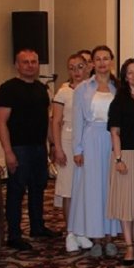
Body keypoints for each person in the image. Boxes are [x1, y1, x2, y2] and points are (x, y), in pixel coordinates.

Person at [0, 49, 57, 251]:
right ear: (17, 65)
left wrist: (52, 144)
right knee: (16, 191)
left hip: (39, 147)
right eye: (25, 62)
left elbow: (47, 120)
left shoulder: (41, 89)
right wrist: (8, 152)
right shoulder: (8, 89)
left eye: (33, 62)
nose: (30, 65)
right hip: (19, 148)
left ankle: (37, 227)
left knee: (38, 188)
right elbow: (1, 123)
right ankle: (14, 235)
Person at [70, 45, 121, 257]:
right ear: (92, 63)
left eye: (105, 58)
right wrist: (77, 149)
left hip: (113, 141)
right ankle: (96, 238)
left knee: (110, 189)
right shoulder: (83, 88)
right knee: (93, 190)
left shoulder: (118, 87)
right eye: (97, 59)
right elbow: (77, 121)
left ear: (111, 61)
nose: (102, 63)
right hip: (91, 141)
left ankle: (110, 238)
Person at [106, 58, 134, 265]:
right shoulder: (119, 101)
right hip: (126, 155)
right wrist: (118, 158)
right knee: (125, 204)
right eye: (130, 72)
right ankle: (129, 246)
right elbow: (114, 132)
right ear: (125, 77)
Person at [52, 53, 88, 252]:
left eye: (80, 67)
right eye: (72, 68)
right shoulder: (64, 92)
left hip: (88, 143)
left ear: (87, 67)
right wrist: (57, 148)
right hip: (67, 142)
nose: (76, 71)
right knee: (68, 189)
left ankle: (83, 230)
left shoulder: (93, 89)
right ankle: (71, 232)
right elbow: (56, 121)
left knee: (85, 189)